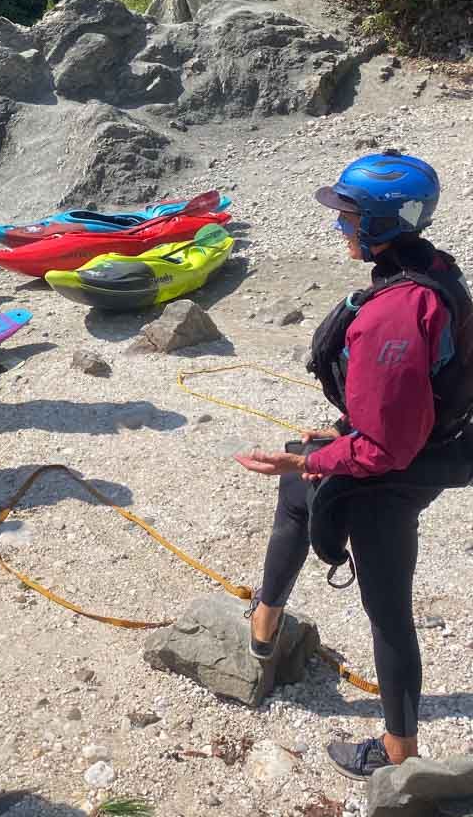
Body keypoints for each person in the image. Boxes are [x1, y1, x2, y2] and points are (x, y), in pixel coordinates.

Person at [235, 151, 473, 781]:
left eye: (348, 218)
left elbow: (383, 450)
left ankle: (398, 756)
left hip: (396, 473)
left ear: (380, 223)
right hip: (431, 446)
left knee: (387, 608)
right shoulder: (429, 267)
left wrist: (306, 454)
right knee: (297, 491)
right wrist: (325, 443)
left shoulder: (393, 313)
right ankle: (264, 627)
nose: (340, 228)